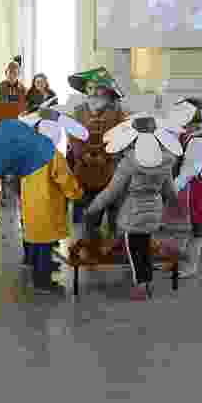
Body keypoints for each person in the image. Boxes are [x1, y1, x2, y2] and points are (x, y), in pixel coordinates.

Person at [85, 114, 179, 300]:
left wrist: (93, 207)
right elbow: (170, 191)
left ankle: (141, 287)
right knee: (144, 247)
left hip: (134, 211)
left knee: (135, 250)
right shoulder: (165, 162)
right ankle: (146, 281)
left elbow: (112, 191)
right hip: (154, 209)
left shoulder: (129, 162)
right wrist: (172, 204)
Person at [17, 110, 85, 293]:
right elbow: (65, 179)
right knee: (45, 243)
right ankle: (42, 281)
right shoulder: (53, 155)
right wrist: (77, 194)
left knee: (36, 240)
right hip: (47, 205)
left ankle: (38, 268)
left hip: (30, 204)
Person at [160, 98, 202, 278]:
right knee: (178, 229)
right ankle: (174, 261)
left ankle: (190, 265)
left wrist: (173, 188)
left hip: (191, 189)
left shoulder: (197, 140)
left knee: (194, 229)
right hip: (182, 186)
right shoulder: (184, 135)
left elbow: (190, 170)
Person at [64, 67, 128, 230]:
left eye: (98, 89)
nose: (93, 93)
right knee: (85, 223)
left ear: (107, 92)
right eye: (90, 88)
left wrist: (107, 156)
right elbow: (73, 136)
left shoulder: (118, 113)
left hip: (109, 174)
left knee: (113, 222)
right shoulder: (78, 111)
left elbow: (122, 138)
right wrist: (82, 155)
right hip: (83, 174)